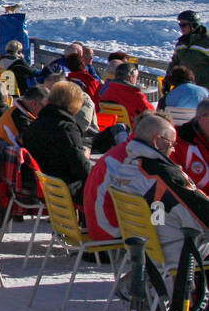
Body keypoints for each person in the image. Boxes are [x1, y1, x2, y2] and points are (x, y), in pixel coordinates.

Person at [89, 112, 209, 265]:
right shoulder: (162, 176)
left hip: (146, 249)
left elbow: (162, 211)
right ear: (157, 141)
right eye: (171, 143)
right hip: (175, 253)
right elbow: (201, 215)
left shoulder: (128, 167)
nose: (172, 150)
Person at [21, 81, 92, 204]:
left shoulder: (35, 124)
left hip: (43, 185)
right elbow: (82, 169)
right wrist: (85, 156)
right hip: (62, 190)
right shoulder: (67, 128)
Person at [167, 10, 209, 88]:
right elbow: (174, 63)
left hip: (204, 90)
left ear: (194, 25)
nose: (181, 27)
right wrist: (167, 80)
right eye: (180, 24)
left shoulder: (206, 42)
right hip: (186, 89)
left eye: (184, 25)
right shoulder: (181, 43)